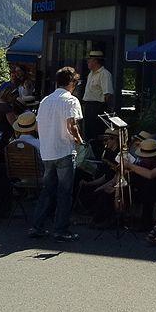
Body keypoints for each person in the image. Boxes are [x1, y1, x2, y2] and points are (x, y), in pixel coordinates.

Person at [30, 66, 85, 242]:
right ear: (70, 82)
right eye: (75, 82)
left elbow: (37, 127)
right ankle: (60, 229)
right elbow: (72, 125)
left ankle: (37, 226)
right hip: (64, 150)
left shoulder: (45, 100)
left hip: (47, 151)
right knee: (64, 193)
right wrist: (79, 139)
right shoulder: (71, 100)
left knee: (47, 191)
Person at [122, 138, 156, 231]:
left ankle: (146, 222)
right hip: (154, 186)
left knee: (149, 187)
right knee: (134, 180)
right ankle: (124, 213)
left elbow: (151, 174)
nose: (143, 159)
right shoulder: (145, 162)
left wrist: (130, 165)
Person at [82, 50, 113, 137]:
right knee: (88, 132)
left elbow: (108, 94)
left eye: (89, 60)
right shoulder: (91, 74)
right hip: (88, 106)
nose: (87, 62)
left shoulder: (105, 74)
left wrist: (101, 108)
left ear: (95, 61)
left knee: (96, 132)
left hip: (97, 106)